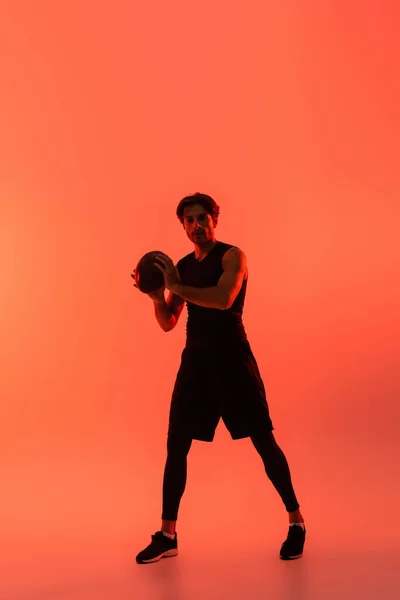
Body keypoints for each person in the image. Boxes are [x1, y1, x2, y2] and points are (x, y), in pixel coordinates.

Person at [132, 193, 306, 564]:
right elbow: (168, 323)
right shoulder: (181, 267)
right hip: (195, 363)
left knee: (263, 441)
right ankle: (167, 535)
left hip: (232, 360)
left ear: (215, 220)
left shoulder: (232, 256)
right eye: (189, 220)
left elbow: (224, 298)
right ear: (182, 226)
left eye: (202, 218)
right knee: (176, 445)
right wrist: (154, 297)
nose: (196, 225)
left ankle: (296, 523)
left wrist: (174, 287)